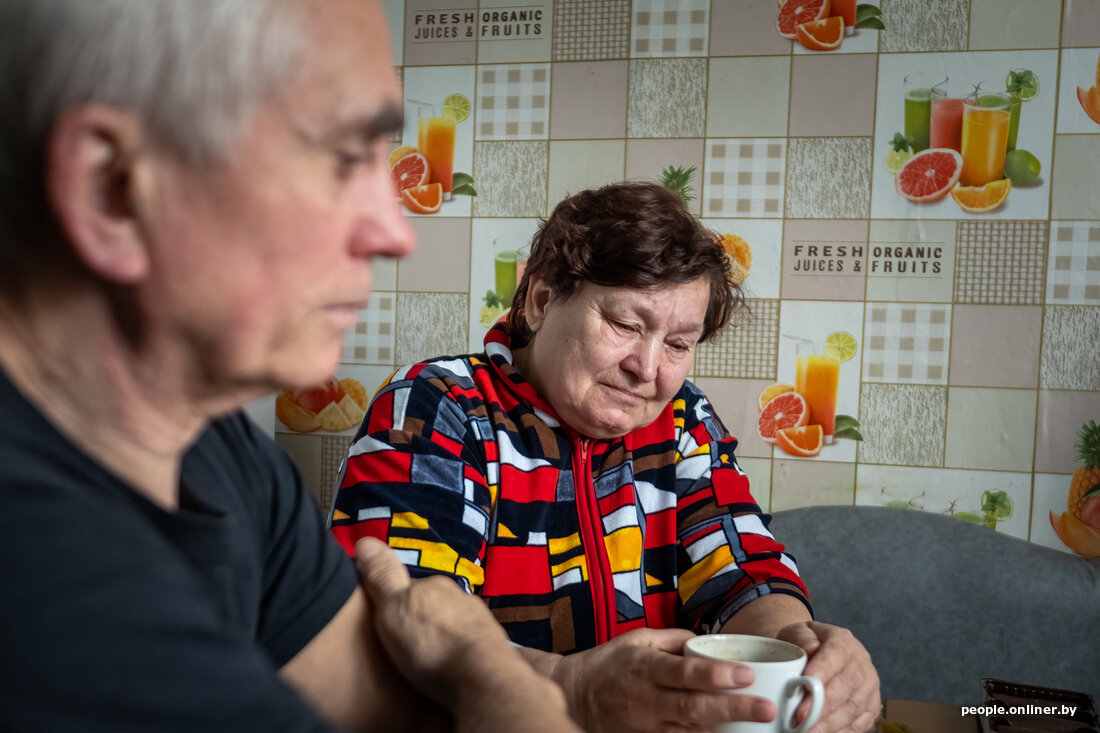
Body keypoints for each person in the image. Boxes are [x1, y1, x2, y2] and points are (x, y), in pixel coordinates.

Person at [0, 1, 580, 731]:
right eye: (344, 157)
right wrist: (501, 675)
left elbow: (383, 712)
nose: (395, 232)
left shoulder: (216, 449)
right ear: (113, 191)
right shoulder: (43, 578)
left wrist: (501, 674)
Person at [331, 182, 882, 732]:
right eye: (625, 325)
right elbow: (406, 627)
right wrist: (571, 687)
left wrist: (799, 648)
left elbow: (740, 571)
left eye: (678, 344)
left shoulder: (683, 417)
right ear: (543, 299)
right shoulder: (437, 405)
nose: (647, 368)